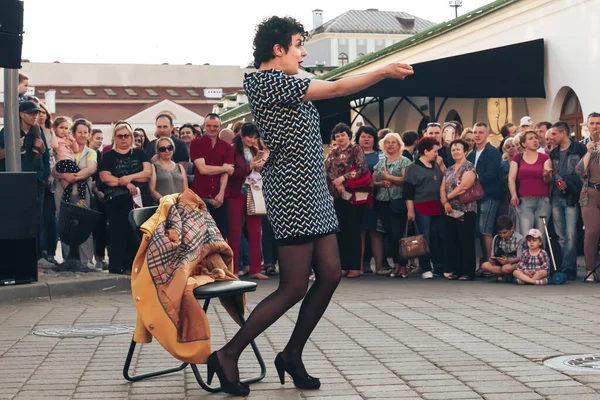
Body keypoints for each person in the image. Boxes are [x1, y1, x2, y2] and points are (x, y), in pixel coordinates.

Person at [208, 15, 413, 396]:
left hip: (313, 188)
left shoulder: (290, 81)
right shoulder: (266, 81)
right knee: (293, 287)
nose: (303, 52)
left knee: (331, 273)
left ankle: (292, 354)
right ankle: (228, 354)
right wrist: (382, 71)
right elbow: (335, 88)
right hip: (292, 189)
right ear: (278, 49)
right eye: (299, 44)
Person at [99, 122, 152, 274]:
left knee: (135, 233)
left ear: (131, 137)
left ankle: (133, 267)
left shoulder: (140, 153)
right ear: (115, 137)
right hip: (116, 201)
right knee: (117, 233)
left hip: (139, 200)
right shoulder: (109, 156)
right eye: (120, 136)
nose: (123, 139)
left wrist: (128, 178)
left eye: (126, 136)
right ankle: (116, 267)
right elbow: (106, 178)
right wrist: (127, 184)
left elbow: (147, 174)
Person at [53, 118, 98, 268]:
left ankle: (85, 261)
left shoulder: (90, 152)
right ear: (73, 133)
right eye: (80, 132)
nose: (83, 135)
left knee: (84, 225)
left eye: (86, 132)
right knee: (65, 224)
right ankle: (68, 259)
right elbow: (54, 170)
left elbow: (90, 170)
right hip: (63, 191)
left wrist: (71, 178)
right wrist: (64, 176)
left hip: (82, 193)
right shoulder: (64, 148)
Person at [325, 122, 368, 279]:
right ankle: (343, 265)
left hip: (354, 195)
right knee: (340, 230)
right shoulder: (333, 152)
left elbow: (362, 168)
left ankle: (355, 266)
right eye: (337, 136)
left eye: (343, 135)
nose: (340, 138)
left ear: (349, 135)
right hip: (338, 195)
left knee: (354, 231)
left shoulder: (356, 149)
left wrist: (344, 178)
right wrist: (337, 183)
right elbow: (328, 169)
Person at [226, 122, 267, 279]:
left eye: (255, 138)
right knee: (235, 232)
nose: (252, 140)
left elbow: (256, 170)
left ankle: (255, 269)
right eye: (250, 137)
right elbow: (231, 172)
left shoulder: (255, 150)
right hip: (236, 193)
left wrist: (258, 167)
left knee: (256, 231)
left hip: (253, 191)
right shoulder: (231, 150)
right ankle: (234, 269)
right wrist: (249, 167)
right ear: (241, 136)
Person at [548, 122, 586, 280]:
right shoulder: (554, 152)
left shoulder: (579, 148)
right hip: (556, 196)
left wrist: (570, 183)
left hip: (572, 196)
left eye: (554, 134)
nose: (551, 138)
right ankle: (564, 266)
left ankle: (569, 268)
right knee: (560, 235)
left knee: (571, 233)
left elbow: (583, 171)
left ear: (563, 133)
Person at [404, 137, 445, 279]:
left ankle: (439, 266)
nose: (436, 154)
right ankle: (425, 267)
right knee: (424, 237)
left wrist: (441, 164)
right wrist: (410, 210)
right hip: (421, 207)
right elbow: (408, 192)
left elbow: (444, 178)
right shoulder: (412, 169)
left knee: (438, 236)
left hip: (437, 206)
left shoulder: (436, 165)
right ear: (426, 151)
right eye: (434, 151)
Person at [372, 132, 411, 278]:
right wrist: (381, 183)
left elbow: (405, 180)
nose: (390, 145)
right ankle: (396, 264)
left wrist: (389, 178)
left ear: (399, 144)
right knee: (389, 234)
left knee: (398, 233)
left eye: (393, 142)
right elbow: (372, 183)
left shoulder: (405, 161)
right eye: (387, 142)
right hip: (382, 201)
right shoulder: (380, 163)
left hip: (398, 201)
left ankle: (403, 265)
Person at [190, 114, 235, 238]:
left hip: (220, 196)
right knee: (201, 234)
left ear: (220, 126)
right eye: (209, 126)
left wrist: (221, 193)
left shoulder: (227, 147)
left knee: (221, 234)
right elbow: (203, 169)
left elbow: (226, 173)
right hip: (200, 195)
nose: (212, 128)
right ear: (204, 126)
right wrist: (224, 168)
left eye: (215, 126)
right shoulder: (196, 143)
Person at [467, 123, 503, 270]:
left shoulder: (493, 152)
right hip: (474, 197)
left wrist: (471, 181)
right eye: (475, 132)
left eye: (480, 132)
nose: (477, 135)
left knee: (485, 228)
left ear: (487, 134)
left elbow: (491, 174)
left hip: (489, 195)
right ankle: (482, 260)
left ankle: (488, 262)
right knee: (476, 229)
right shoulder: (470, 153)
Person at [440, 139, 478, 280]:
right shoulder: (449, 169)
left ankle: (468, 272)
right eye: (453, 149)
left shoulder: (469, 167)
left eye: (458, 149)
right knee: (452, 240)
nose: (455, 151)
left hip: (466, 209)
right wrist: (444, 202)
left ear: (465, 151)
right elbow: (442, 187)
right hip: (450, 209)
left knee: (466, 240)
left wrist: (447, 198)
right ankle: (455, 269)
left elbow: (464, 187)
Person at [508, 130, 552, 238]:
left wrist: (546, 175)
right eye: (531, 138)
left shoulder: (545, 157)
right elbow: (511, 178)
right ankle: (526, 255)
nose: (535, 140)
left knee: (541, 235)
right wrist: (513, 195)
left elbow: (548, 181)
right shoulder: (517, 158)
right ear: (523, 143)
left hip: (543, 200)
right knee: (526, 233)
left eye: (536, 138)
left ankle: (541, 255)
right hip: (524, 201)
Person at [575, 111, 600, 282]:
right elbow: (579, 171)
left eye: (598, 123)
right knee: (591, 232)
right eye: (592, 123)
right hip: (589, 192)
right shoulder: (581, 145)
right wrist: (589, 152)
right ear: (587, 126)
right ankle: (590, 270)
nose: (595, 127)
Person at [356, 126, 384, 275]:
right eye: (363, 136)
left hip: (376, 198)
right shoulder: (353, 155)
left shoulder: (381, 155)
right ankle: (359, 267)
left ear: (374, 139)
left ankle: (378, 267)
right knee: (359, 232)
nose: (366, 139)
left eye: (369, 136)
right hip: (357, 198)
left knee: (376, 232)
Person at [50, 116, 86, 206]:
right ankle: (82, 199)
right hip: (62, 162)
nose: (64, 130)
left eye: (66, 128)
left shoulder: (67, 140)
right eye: (61, 128)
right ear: (55, 128)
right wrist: (53, 133)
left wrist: (72, 140)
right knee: (81, 176)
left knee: (68, 185)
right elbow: (54, 145)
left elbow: (76, 149)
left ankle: (66, 202)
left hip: (69, 163)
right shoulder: (56, 139)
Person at [481, 216, 524, 281]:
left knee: (506, 268)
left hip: (513, 263)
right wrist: (492, 259)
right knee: (485, 265)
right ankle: (507, 275)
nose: (502, 235)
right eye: (500, 233)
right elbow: (493, 254)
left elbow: (520, 257)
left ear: (511, 229)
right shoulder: (497, 238)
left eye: (504, 232)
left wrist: (509, 261)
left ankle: (508, 274)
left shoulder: (519, 238)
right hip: (501, 263)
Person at [149, 137, 188, 202]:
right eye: (162, 149)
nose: (167, 151)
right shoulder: (153, 167)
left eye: (170, 148)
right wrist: (165, 203)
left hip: (181, 206)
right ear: (158, 151)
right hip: (162, 206)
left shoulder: (180, 167)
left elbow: (185, 188)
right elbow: (152, 190)